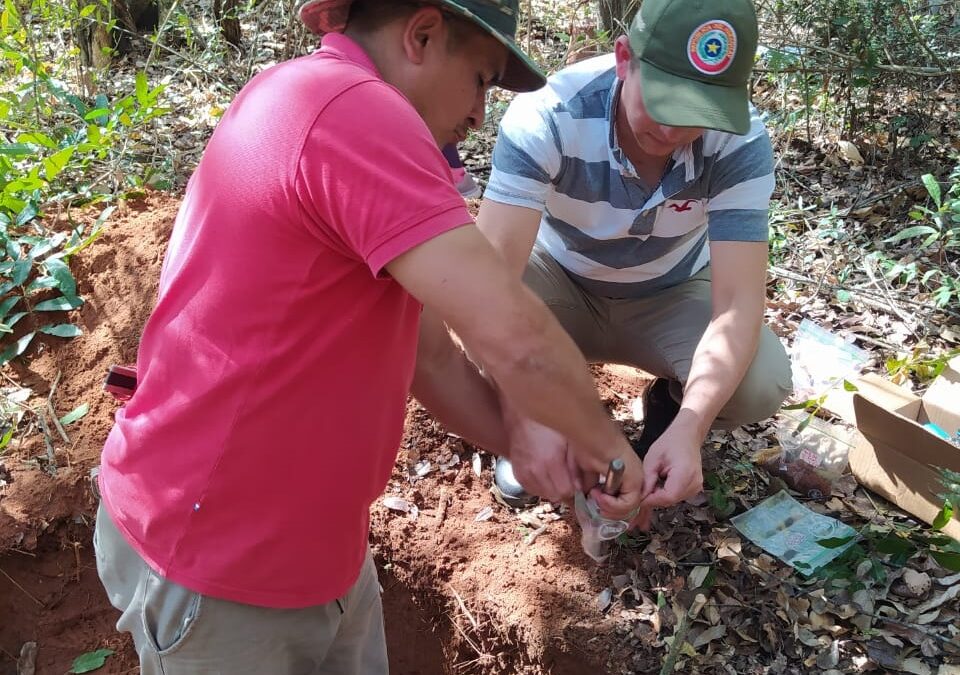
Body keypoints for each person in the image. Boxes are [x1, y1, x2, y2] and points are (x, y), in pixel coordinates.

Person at [93, 1, 648, 673]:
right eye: (480, 78)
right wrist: (611, 452)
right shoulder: (353, 111)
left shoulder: (309, 97)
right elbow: (516, 335)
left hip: (312, 546)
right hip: (218, 557)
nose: (480, 115)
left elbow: (434, 356)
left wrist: (530, 443)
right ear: (421, 35)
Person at [478, 0, 793, 522]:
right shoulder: (550, 113)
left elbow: (738, 304)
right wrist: (524, 416)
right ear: (625, 58)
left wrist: (691, 424)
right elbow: (486, 284)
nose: (672, 132)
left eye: (697, 114)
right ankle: (536, 421)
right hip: (558, 281)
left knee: (760, 379)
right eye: (664, 103)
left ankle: (665, 422)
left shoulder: (740, 143)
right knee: (470, 304)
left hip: (668, 290)